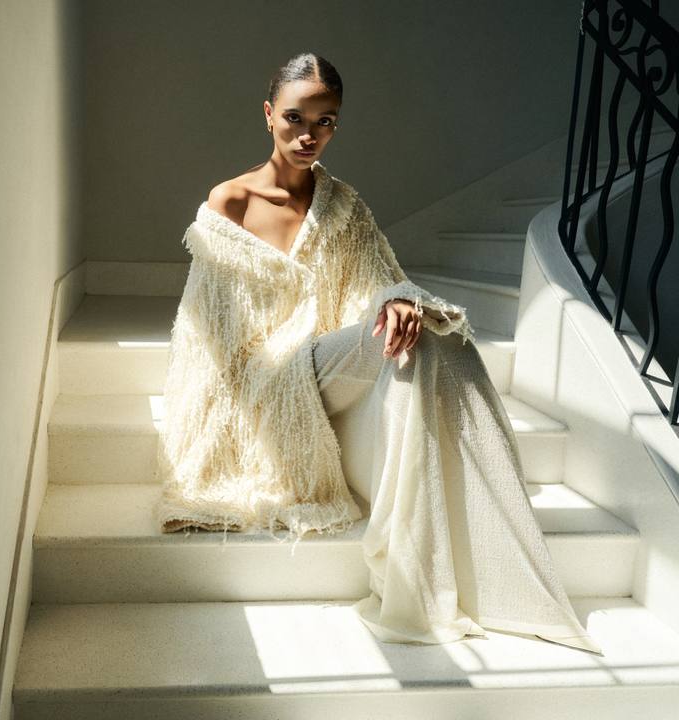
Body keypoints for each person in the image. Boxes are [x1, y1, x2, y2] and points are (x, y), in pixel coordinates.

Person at [153, 52, 602, 655]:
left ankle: (494, 570)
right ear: (268, 115)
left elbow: (380, 280)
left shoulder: (342, 205)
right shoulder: (229, 202)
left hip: (328, 363)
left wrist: (397, 300)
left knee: (434, 337)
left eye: (326, 122)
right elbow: (207, 335)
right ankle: (432, 576)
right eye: (295, 118)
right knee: (410, 329)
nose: (309, 135)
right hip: (266, 380)